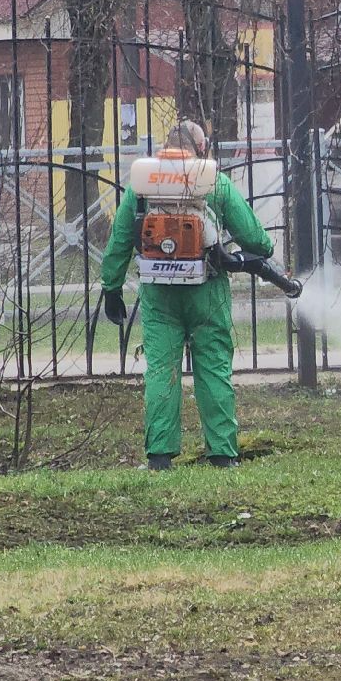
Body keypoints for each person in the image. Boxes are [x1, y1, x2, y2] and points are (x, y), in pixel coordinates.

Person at [100, 120, 275, 470]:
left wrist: (111, 288)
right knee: (213, 367)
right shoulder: (215, 183)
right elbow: (257, 240)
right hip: (207, 290)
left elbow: (120, 238)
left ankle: (160, 456)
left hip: (159, 294)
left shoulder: (142, 186)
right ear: (202, 148)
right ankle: (223, 455)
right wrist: (256, 250)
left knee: (162, 370)